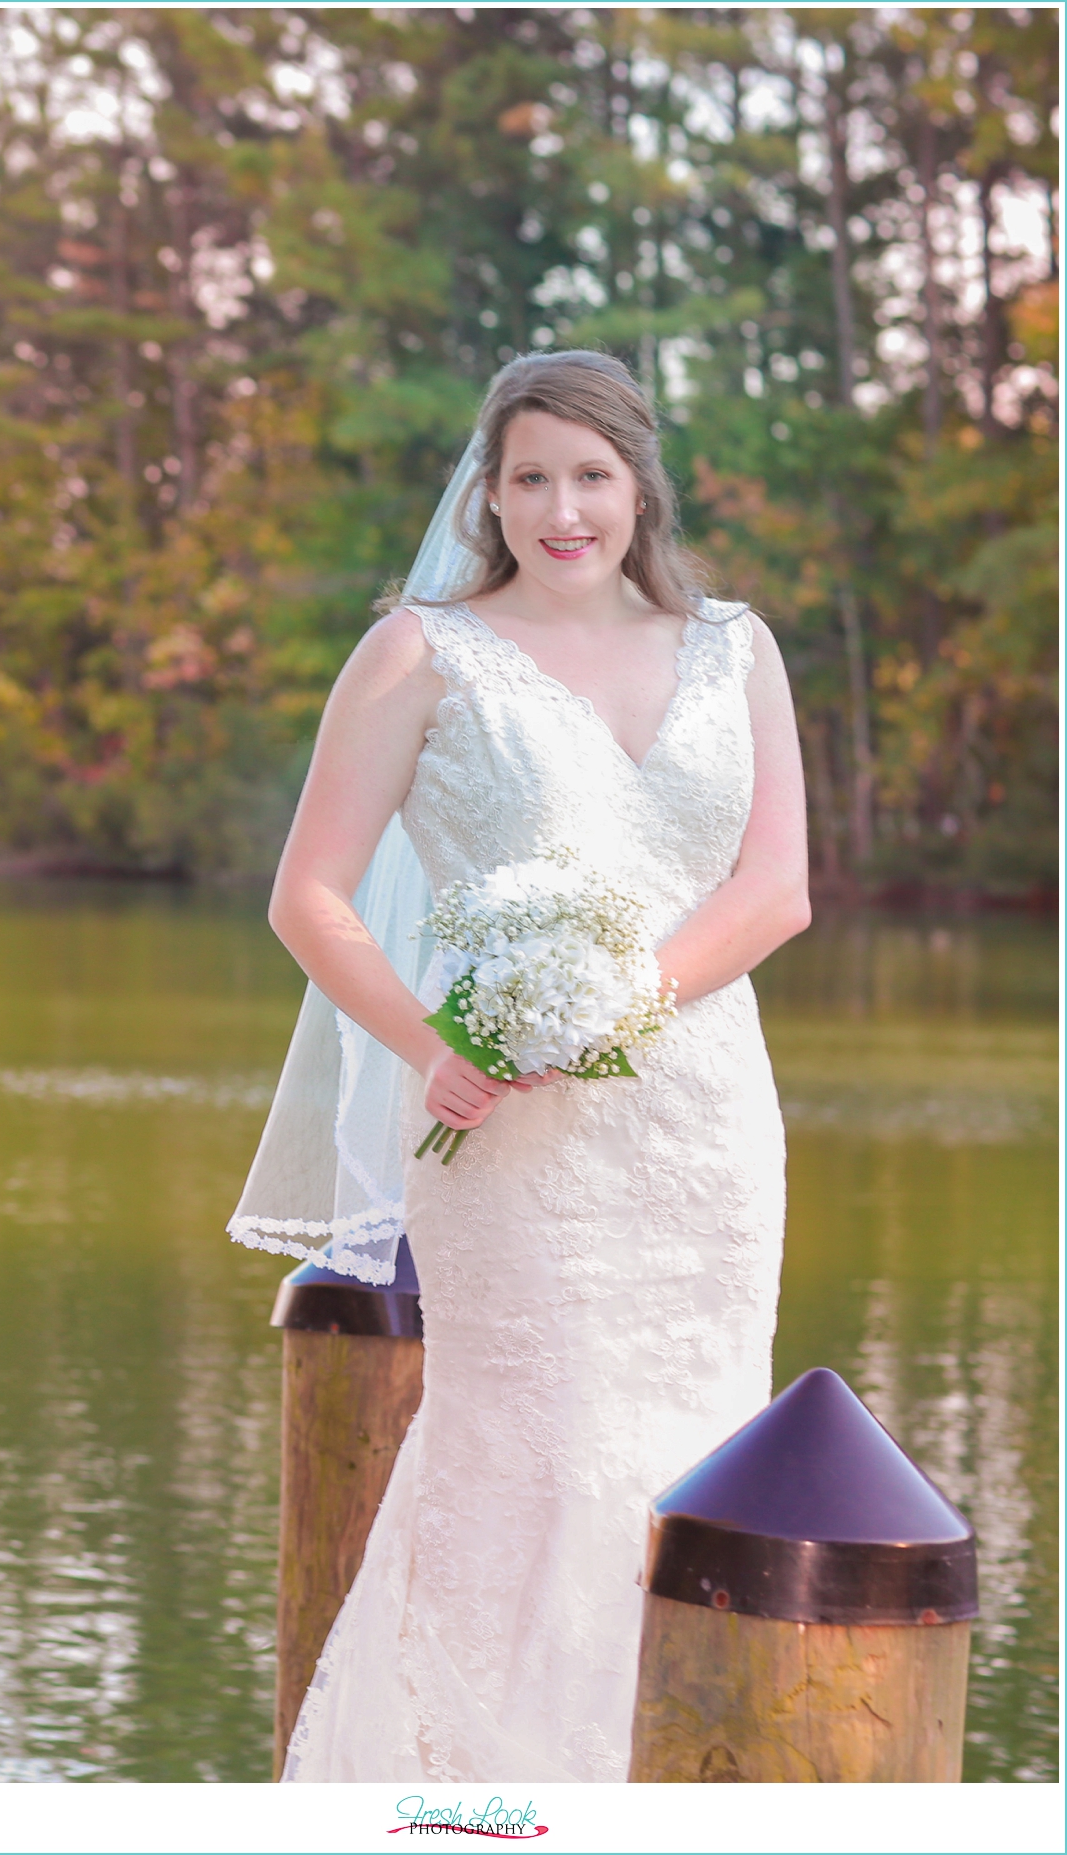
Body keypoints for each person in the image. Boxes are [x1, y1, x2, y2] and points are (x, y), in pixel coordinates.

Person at [245, 350, 810, 1781]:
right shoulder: (420, 652)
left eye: (593, 477)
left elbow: (778, 889)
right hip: (509, 1133)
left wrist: (623, 1004)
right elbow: (308, 894)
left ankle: (656, 1785)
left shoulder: (734, 646)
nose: (566, 509)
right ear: (489, 496)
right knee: (529, 1461)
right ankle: (462, 1805)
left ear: (640, 486)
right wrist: (431, 1049)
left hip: (705, 1134)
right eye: (533, 478)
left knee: (695, 1446)